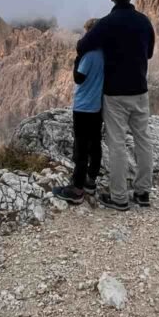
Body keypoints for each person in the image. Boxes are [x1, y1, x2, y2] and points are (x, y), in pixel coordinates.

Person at [76, 0, 155, 211]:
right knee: (143, 139)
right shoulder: (144, 22)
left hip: (115, 94)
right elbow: (149, 53)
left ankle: (119, 197)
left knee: (117, 143)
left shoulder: (107, 23)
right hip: (140, 90)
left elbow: (82, 46)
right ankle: (143, 192)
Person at [53, 18, 104, 205]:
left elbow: (78, 78)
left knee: (81, 148)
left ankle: (77, 189)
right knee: (96, 144)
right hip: (98, 107)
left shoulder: (88, 55)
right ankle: (91, 181)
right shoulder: (105, 53)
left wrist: (77, 58)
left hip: (83, 107)